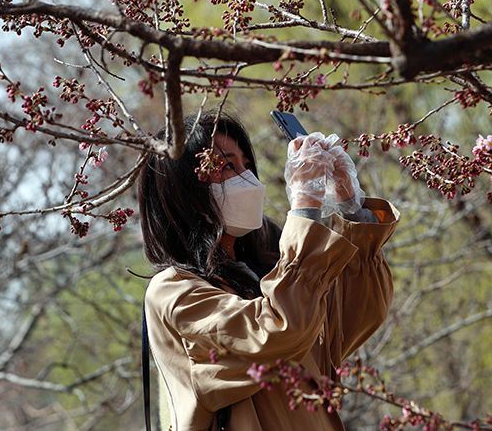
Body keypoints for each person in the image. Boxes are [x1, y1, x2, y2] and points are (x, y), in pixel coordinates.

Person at [138, 111, 399, 430]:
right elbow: (276, 333)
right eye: (227, 166)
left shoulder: (264, 273)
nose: (247, 178)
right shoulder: (172, 292)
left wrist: (351, 206)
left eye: (246, 165)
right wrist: (305, 207)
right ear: (183, 189)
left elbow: (356, 316)